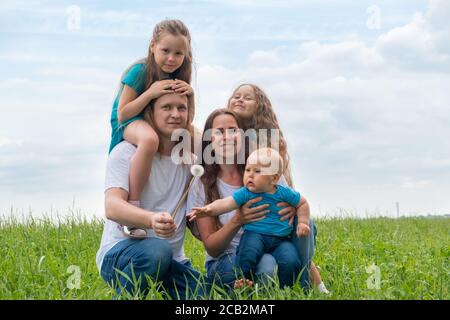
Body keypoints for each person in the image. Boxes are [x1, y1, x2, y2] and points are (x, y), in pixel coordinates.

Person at [96, 91, 205, 299]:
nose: (175, 114)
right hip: (122, 254)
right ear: (151, 112)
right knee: (157, 251)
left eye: (182, 108)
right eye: (166, 107)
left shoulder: (190, 161)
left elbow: (220, 146)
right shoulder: (126, 151)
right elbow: (112, 207)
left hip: (173, 261)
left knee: (206, 294)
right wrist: (151, 219)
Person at [227, 83, 330, 294]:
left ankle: (314, 285)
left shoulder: (268, 142)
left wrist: (292, 208)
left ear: (260, 107)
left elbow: (283, 186)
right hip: (254, 225)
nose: (239, 99)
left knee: (303, 228)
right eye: (236, 96)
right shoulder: (226, 138)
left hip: (277, 213)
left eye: (247, 97)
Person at [186, 109, 302, 291]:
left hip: (269, 248)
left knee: (272, 258)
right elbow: (212, 248)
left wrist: (294, 210)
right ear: (209, 140)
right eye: (219, 132)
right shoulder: (202, 184)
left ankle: (302, 278)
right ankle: (246, 288)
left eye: (233, 130)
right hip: (226, 258)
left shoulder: (265, 168)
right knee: (264, 266)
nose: (227, 137)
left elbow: (294, 201)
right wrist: (238, 220)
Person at [108, 19, 194, 238]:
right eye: (166, 51)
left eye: (178, 53)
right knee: (149, 140)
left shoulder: (180, 73)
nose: (171, 59)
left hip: (154, 118)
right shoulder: (140, 71)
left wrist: (190, 94)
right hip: (129, 120)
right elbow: (123, 113)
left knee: (201, 139)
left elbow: (186, 118)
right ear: (152, 46)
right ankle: (133, 206)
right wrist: (151, 93)